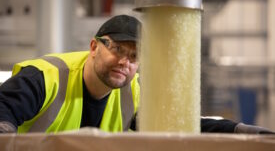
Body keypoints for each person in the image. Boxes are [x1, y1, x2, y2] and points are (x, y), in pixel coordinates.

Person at [0, 15, 273, 134]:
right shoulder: (46, 78)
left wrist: (239, 131)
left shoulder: (132, 97)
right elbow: (3, 111)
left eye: (134, 57)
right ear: (94, 46)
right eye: (117, 49)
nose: (124, 62)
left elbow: (181, 126)